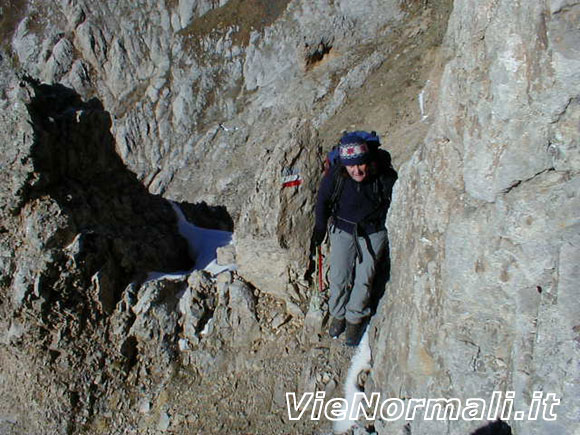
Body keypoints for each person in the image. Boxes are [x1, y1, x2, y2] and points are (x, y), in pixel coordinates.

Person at [313, 132, 396, 346]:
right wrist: (320, 228)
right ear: (345, 165)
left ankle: (354, 319)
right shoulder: (336, 176)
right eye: (352, 167)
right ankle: (338, 315)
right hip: (342, 230)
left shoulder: (383, 176)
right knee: (339, 276)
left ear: (368, 161)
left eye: (360, 165)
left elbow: (395, 200)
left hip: (372, 232)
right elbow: (322, 200)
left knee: (364, 278)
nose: (357, 170)